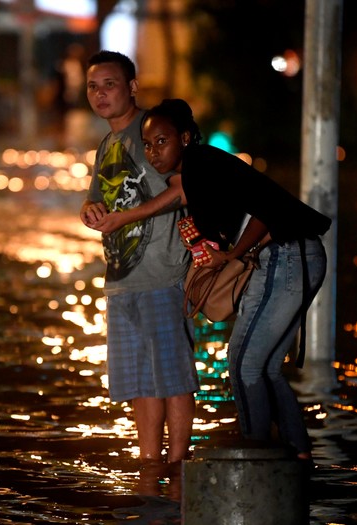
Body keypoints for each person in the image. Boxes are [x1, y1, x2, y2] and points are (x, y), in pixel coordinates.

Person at [114, 98, 330, 461]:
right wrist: (211, 245)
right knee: (265, 367)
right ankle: (299, 456)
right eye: (148, 144)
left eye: (162, 141)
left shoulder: (201, 164)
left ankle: (255, 460)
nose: (153, 152)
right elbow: (245, 214)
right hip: (299, 254)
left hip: (286, 254)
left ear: (184, 137)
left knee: (242, 363)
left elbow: (264, 212)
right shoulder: (201, 168)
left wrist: (231, 255)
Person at [79, 51, 198, 467]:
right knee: (139, 384)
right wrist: (88, 209)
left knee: (174, 378)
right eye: (93, 86)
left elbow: (185, 189)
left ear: (131, 87)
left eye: (109, 84)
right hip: (121, 279)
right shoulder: (108, 143)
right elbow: (98, 195)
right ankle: (150, 469)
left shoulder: (154, 128)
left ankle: (178, 469)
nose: (100, 94)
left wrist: (128, 216)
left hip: (163, 274)